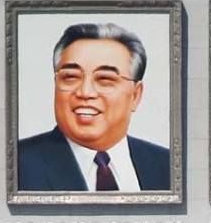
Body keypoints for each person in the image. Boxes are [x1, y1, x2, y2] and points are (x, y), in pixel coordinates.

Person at [17, 22, 170, 192]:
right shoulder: (16, 164)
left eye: (105, 79)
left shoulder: (169, 166)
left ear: (135, 95)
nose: (85, 92)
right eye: (71, 77)